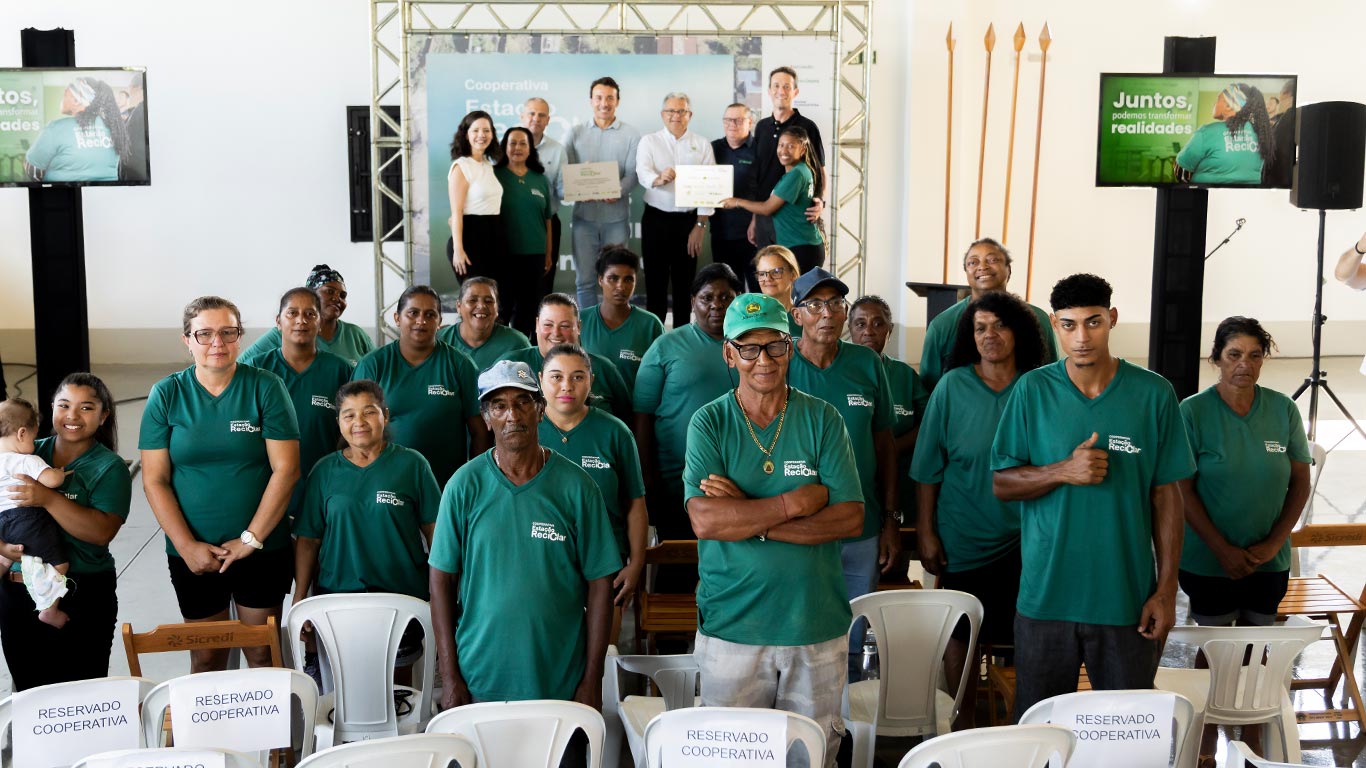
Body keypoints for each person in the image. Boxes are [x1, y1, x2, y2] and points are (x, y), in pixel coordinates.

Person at [992, 273, 1195, 719]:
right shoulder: (1032, 390)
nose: (1081, 337)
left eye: (1093, 322)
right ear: (1053, 325)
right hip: (1046, 600)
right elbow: (1002, 483)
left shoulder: (1153, 393)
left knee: (1128, 734)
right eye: (1068, 325)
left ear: (1113, 319)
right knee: (1041, 734)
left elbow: (1167, 497)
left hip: (1125, 601)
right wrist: (1064, 470)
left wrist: (1166, 591)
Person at [684, 293, 863, 767]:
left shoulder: (823, 419)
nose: (763, 360)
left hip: (815, 627)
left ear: (790, 346)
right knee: (730, 761)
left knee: (810, 759)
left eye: (775, 346)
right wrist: (793, 503)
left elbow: (849, 518)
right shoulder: (710, 422)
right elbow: (705, 519)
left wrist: (748, 515)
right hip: (732, 628)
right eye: (748, 348)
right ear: (729, 354)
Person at [428, 361, 620, 756]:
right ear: (485, 416)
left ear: (541, 408)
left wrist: (592, 678)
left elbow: (601, 585)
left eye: (522, 402)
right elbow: (440, 581)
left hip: (560, 681)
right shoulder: (464, 485)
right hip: (481, 679)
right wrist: (449, 677)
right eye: (498, 405)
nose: (511, 415)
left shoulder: (578, 487)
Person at [140, 296, 301, 673]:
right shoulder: (167, 394)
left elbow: (286, 470)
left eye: (228, 332)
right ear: (187, 340)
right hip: (193, 553)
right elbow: (154, 479)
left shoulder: (266, 388)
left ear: (240, 336)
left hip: (261, 548)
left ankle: (269, 734)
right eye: (205, 334)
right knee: (207, 655)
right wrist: (186, 545)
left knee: (262, 653)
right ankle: (208, 734)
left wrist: (250, 539)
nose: (218, 343)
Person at [1177, 317, 1310, 764]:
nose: (1244, 365)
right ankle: (1207, 742)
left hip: (1267, 561)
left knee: (1257, 646)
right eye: (1234, 355)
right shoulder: (1192, 411)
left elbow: (1299, 482)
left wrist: (1275, 543)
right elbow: (1182, 488)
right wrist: (1221, 548)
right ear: (1216, 358)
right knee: (1214, 650)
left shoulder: (1282, 410)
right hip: (1207, 559)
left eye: (1255, 355)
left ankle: (1252, 740)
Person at [912, 291, 1046, 730]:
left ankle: (1021, 731)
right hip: (963, 537)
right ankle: (961, 729)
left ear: (1019, 332)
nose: (990, 336)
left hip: (1029, 540)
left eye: (999, 326)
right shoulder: (952, 387)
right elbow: (928, 468)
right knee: (960, 640)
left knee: (1026, 639)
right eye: (980, 327)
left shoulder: (1039, 386)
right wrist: (926, 533)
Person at [786, 269, 898, 680]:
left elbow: (884, 445)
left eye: (836, 304)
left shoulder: (866, 363)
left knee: (853, 638)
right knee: (800, 632)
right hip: (798, 528)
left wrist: (889, 520)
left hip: (861, 528)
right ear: (796, 315)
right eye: (815, 305)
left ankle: (847, 735)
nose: (827, 314)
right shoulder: (780, 365)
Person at [293, 380, 439, 683]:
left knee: (398, 695)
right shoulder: (324, 471)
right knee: (345, 690)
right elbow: (308, 541)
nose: (359, 422)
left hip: (402, 600)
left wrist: (440, 596)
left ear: (385, 415)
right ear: (338, 423)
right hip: (338, 600)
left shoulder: (412, 465)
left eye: (369, 412)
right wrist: (300, 599)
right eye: (348, 415)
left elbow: (435, 533)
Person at [0, 373, 130, 690]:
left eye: (86, 408)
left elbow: (100, 533)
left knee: (81, 696)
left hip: (81, 593)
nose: (72, 416)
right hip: (18, 594)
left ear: (103, 416)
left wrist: (46, 498)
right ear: (51, 409)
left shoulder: (108, 467)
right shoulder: (23, 453)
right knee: (31, 698)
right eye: (64, 405)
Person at [633, 264, 741, 592]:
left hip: (740, 486)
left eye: (726, 297)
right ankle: (671, 643)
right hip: (675, 485)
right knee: (677, 573)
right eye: (707, 297)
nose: (716, 305)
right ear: (693, 301)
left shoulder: (751, 348)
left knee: (730, 573)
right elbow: (642, 417)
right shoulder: (667, 347)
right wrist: (646, 478)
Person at [538, 344, 647, 641]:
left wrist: (636, 563)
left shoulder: (615, 432)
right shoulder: (527, 431)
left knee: (600, 658)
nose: (566, 386)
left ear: (591, 381)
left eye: (577, 377)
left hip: (605, 560)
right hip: (541, 561)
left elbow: (635, 504)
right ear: (540, 380)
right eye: (556, 377)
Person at [353, 285, 488, 486]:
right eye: (413, 313)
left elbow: (480, 432)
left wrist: (474, 482)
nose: (421, 321)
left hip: (446, 485)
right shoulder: (373, 365)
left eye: (430, 314)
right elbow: (354, 429)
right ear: (397, 318)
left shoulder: (460, 365)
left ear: (440, 321)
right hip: (385, 484)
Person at [240, 288, 354, 524]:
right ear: (278, 322)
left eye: (310, 314)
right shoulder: (256, 370)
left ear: (320, 323)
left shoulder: (340, 370)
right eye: (292, 313)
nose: (301, 320)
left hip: (324, 487)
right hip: (266, 490)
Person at [919, 238, 1057, 390]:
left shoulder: (1039, 319)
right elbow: (928, 389)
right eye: (973, 262)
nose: (982, 267)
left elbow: (1051, 378)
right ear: (966, 272)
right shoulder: (942, 324)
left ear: (1009, 269)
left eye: (992, 259)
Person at [636, 92, 716, 328]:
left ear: (689, 115)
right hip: (656, 220)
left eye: (681, 111)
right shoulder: (649, 141)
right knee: (655, 282)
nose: (676, 116)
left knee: (685, 284)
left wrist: (700, 226)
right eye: (671, 111)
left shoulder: (701, 144)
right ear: (663, 115)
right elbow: (642, 172)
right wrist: (659, 178)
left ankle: (683, 335)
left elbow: (708, 188)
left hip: (688, 222)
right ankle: (654, 339)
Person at [565, 77, 641, 310]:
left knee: (618, 280)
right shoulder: (575, 133)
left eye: (610, 97)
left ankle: (614, 322)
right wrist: (578, 182)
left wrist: (618, 190)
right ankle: (587, 330)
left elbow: (633, 174)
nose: (604, 103)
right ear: (591, 101)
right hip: (583, 221)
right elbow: (565, 173)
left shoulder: (631, 134)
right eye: (599, 98)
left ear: (617, 101)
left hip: (616, 220)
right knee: (585, 280)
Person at [849, 295, 929, 516]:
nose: (869, 331)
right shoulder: (840, 373)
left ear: (890, 330)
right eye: (860, 324)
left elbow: (928, 423)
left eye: (878, 323)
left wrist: (891, 448)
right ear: (850, 328)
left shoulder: (905, 374)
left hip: (901, 481)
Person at [499, 293, 633, 425]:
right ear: (537, 324)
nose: (556, 333)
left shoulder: (604, 368)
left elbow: (627, 421)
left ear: (579, 327)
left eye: (565, 326)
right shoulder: (511, 365)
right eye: (548, 325)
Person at [0, 398, 71, 628]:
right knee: (59, 565)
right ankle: (49, 608)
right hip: (25, 518)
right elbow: (49, 481)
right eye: (32, 437)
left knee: (4, 557)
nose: (34, 442)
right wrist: (59, 473)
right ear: (22, 434)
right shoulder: (25, 460)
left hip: (1, 521)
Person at [721, 125, 825, 273]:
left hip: (801, 248)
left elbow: (767, 208)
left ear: (802, 149)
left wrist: (737, 202)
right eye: (781, 145)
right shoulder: (797, 171)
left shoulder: (797, 174)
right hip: (798, 246)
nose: (784, 151)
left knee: (796, 295)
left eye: (791, 146)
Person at [748, 66, 827, 251]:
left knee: (794, 276)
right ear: (769, 91)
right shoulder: (761, 127)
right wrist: (754, 219)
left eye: (786, 86)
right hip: (764, 216)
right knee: (766, 275)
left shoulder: (808, 127)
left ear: (795, 91)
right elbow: (760, 175)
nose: (780, 91)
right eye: (776, 86)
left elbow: (820, 170)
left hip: (794, 219)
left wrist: (820, 201)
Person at [238, 265, 375, 366]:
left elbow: (378, 370)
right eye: (329, 292)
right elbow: (240, 365)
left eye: (342, 295)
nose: (337, 298)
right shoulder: (283, 333)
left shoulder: (355, 334)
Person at [495, 126, 555, 334]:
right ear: (504, 147)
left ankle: (524, 355)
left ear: (531, 149)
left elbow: (547, 219)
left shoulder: (539, 178)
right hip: (504, 255)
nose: (517, 148)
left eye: (523, 143)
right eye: (512, 143)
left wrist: (548, 253)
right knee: (503, 308)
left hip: (535, 255)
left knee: (529, 308)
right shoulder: (495, 175)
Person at [578, 245, 664, 389]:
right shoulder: (580, 321)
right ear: (600, 280)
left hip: (635, 410)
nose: (620, 286)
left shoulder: (650, 324)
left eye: (628, 279)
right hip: (589, 409)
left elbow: (660, 376)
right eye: (613, 278)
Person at [25, 76, 130, 183]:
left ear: (76, 100)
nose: (64, 91)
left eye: (66, 92)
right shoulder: (115, 128)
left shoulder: (56, 129)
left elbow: (33, 172)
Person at [1175, 82, 1275, 186]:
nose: (1214, 103)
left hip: (1205, 195)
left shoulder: (1207, 132)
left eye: (1218, 99)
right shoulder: (1261, 133)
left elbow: (1181, 172)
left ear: (1228, 106)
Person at [447, 110, 504, 282]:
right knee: (474, 300)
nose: (482, 135)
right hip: (470, 242)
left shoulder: (488, 165)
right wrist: (458, 250)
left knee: (494, 300)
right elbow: (456, 214)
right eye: (476, 130)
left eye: (486, 130)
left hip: (493, 238)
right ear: (466, 135)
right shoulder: (461, 166)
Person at [521, 97, 567, 300]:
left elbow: (564, 191)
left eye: (541, 115)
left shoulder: (557, 150)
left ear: (548, 120)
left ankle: (540, 331)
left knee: (544, 283)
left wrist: (585, 181)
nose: (536, 119)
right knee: (514, 284)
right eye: (531, 113)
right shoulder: (506, 147)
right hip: (513, 225)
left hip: (546, 224)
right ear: (522, 116)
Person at [436, 277, 532, 371]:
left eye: (488, 301)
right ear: (458, 306)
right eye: (472, 300)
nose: (481, 305)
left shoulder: (517, 344)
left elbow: (533, 383)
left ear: (497, 308)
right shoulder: (439, 340)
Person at [711, 103, 759, 291]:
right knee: (727, 288)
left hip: (752, 233)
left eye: (738, 120)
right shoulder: (713, 148)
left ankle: (759, 322)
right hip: (721, 232)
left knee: (757, 288)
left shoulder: (760, 150)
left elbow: (766, 191)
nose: (732, 124)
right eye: (728, 120)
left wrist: (757, 221)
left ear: (750, 122)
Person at [752, 245, 803, 335]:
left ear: (793, 275)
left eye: (776, 272)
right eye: (762, 273)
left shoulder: (806, 317)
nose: (768, 278)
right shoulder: (751, 318)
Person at [121, 72, 148, 183]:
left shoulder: (141, 111)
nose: (129, 91)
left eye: (130, 88)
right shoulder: (137, 110)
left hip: (134, 175)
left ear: (137, 88)